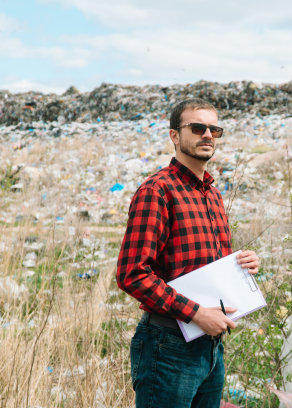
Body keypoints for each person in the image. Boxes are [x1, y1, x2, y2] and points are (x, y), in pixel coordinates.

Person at [116, 98, 260, 408]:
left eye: (214, 129)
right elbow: (132, 274)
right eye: (197, 128)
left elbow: (206, 266)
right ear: (174, 136)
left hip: (210, 347)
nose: (207, 135)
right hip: (168, 347)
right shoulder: (157, 190)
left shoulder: (212, 193)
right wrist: (196, 313)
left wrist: (242, 264)